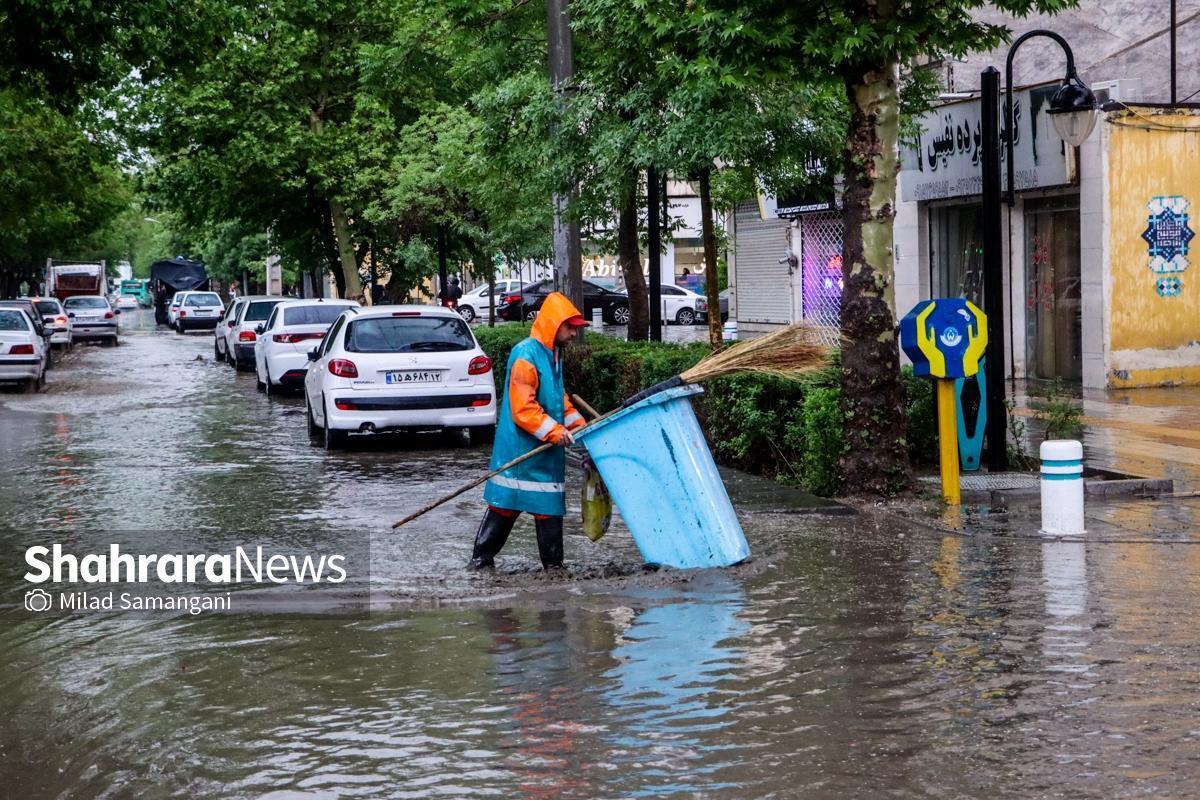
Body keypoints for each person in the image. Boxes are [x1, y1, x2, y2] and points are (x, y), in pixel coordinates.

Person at [470, 292, 590, 571]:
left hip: (542, 454)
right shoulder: (526, 354)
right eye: (570, 327)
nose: (574, 333)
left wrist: (582, 427)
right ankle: (481, 564)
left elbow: (558, 401)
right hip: (521, 453)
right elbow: (523, 409)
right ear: (553, 324)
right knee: (505, 508)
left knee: (547, 509)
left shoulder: (553, 355)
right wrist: (556, 432)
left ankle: (552, 570)